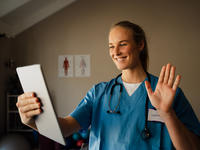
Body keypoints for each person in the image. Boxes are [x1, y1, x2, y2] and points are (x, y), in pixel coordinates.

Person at [16, 21, 200, 150]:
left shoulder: (166, 92)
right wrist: (32, 120)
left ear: (140, 45)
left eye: (123, 44)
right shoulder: (99, 93)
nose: (116, 52)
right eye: (111, 46)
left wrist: (168, 114)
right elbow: (65, 127)